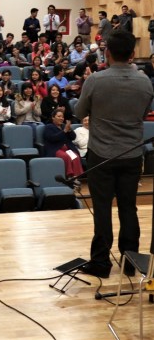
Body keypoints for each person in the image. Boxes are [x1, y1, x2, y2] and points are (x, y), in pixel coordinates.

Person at [75, 30, 153, 279]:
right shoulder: (145, 81)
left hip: (101, 154)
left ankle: (101, 263)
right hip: (132, 154)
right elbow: (143, 113)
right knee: (128, 207)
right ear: (132, 54)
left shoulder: (95, 80)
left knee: (102, 208)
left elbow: (79, 112)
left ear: (107, 52)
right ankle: (130, 261)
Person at [43, 108, 83, 177]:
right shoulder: (49, 127)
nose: (61, 118)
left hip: (67, 149)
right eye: (59, 116)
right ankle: (69, 176)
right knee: (66, 157)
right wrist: (64, 131)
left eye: (62, 117)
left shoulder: (64, 126)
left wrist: (69, 130)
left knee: (75, 157)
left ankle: (76, 177)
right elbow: (53, 138)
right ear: (53, 117)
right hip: (55, 149)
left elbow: (73, 137)